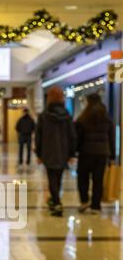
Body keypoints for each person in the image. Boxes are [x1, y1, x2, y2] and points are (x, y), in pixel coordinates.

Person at [36, 86, 76, 217]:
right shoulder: (67, 115)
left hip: (48, 151)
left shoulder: (44, 116)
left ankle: (57, 203)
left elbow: (39, 136)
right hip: (63, 151)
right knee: (58, 178)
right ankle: (54, 200)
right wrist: (71, 153)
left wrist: (38, 154)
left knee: (51, 178)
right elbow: (72, 135)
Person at [75, 93, 115, 214]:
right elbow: (111, 138)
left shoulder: (83, 118)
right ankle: (96, 206)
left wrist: (75, 151)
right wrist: (112, 156)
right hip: (102, 154)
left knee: (82, 177)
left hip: (86, 153)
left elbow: (78, 138)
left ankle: (84, 201)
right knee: (98, 180)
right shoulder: (106, 117)